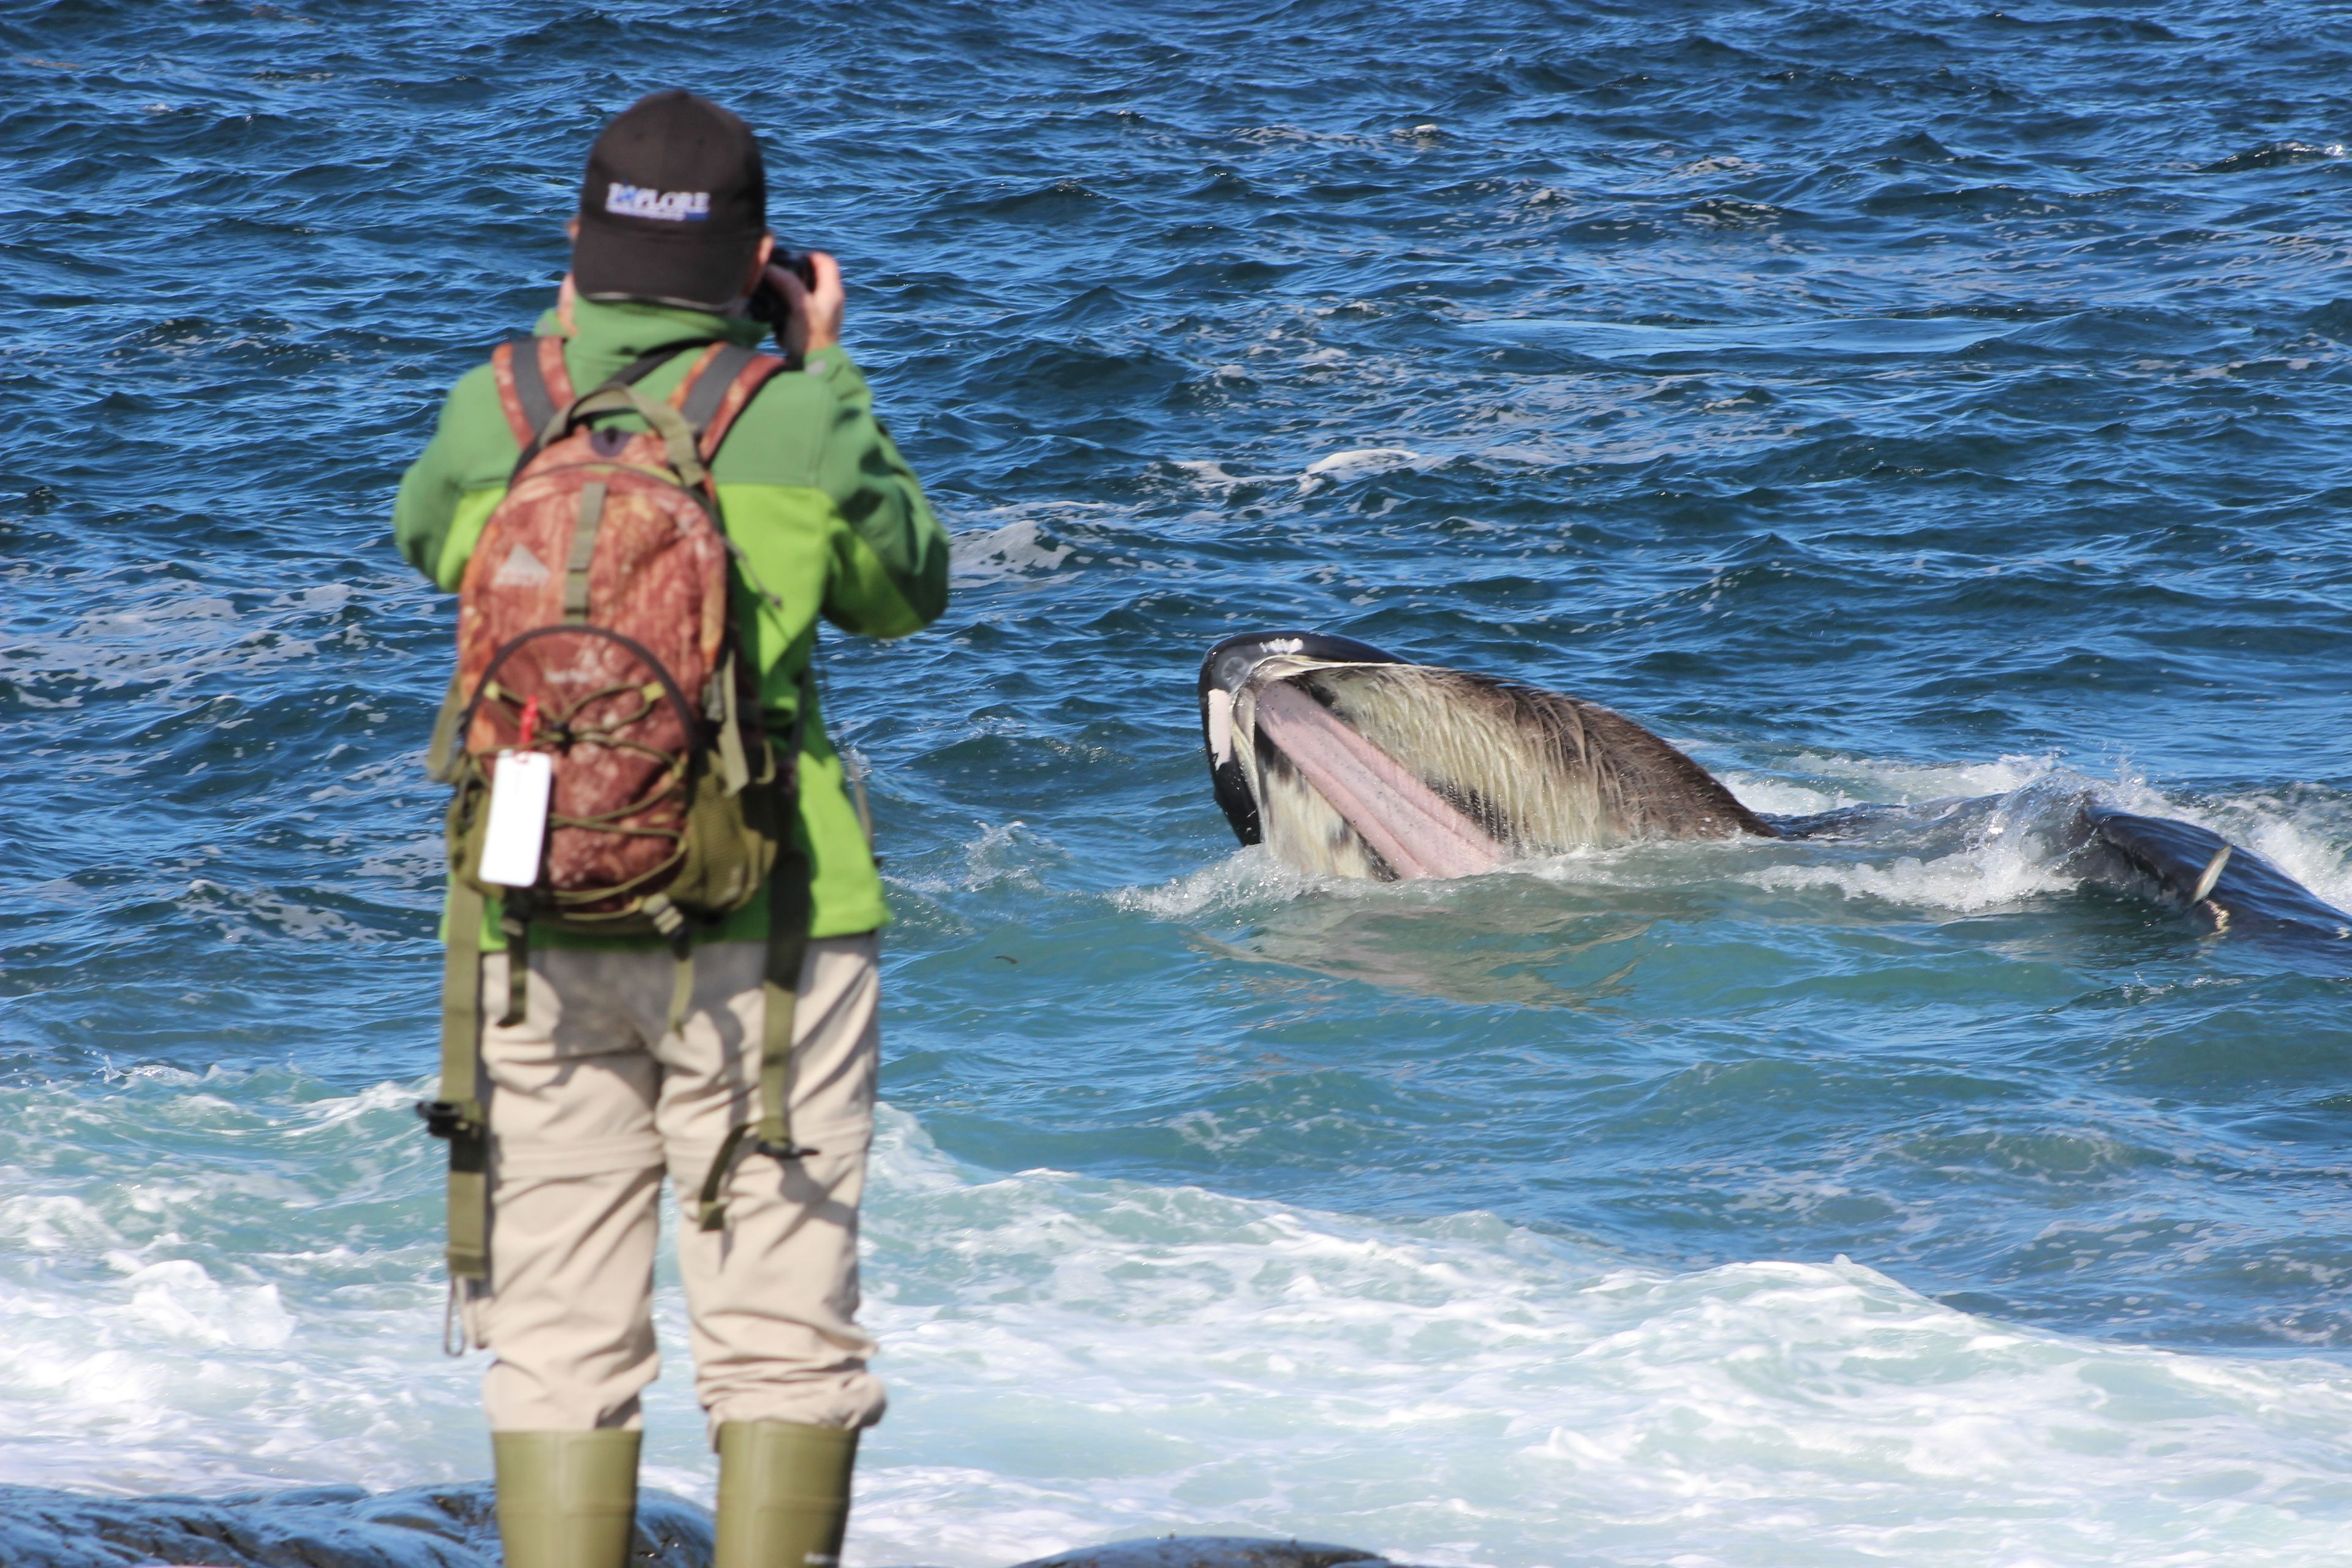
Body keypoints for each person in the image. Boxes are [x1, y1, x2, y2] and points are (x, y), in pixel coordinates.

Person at [391, 89, 948, 1568]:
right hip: (776, 918)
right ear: (761, 259)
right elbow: (907, 589)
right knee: (780, 1327)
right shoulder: (793, 412)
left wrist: (564, 349)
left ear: (577, 247)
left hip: (528, 907)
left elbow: (432, 541)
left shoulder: (499, 401)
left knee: (559, 1329)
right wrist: (826, 366)